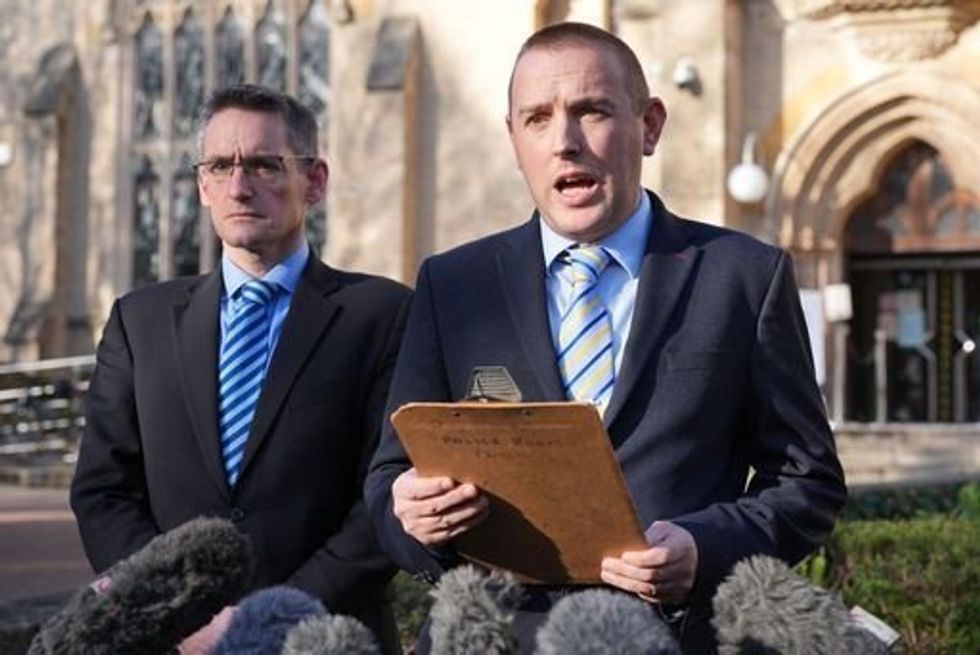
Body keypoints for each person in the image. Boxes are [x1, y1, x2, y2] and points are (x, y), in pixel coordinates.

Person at [364, 22, 847, 653]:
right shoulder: (452, 283)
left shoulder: (744, 276)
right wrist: (411, 514)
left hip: (671, 636)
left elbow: (807, 482)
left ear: (649, 126)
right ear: (514, 140)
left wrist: (703, 548)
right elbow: (390, 475)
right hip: (492, 637)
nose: (565, 143)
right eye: (537, 118)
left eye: (590, 111)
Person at [71, 84, 411, 654]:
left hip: (326, 636)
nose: (239, 185)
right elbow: (104, 492)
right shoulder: (140, 322)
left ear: (316, 181)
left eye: (263, 164)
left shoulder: (384, 316)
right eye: (220, 165)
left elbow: (386, 498)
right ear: (202, 185)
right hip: (173, 640)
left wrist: (271, 617)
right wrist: (179, 611)